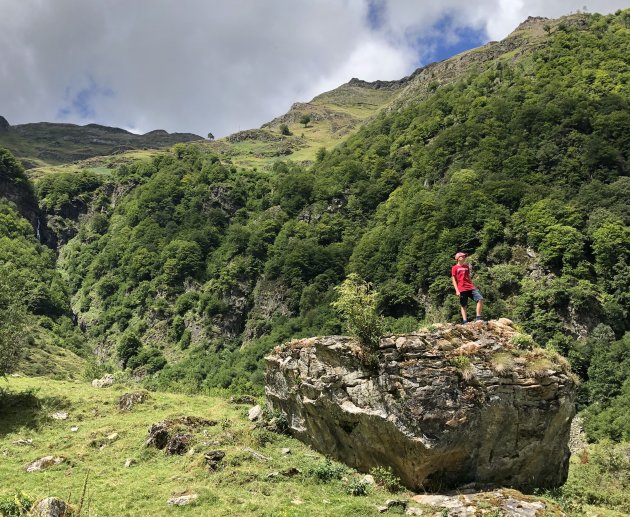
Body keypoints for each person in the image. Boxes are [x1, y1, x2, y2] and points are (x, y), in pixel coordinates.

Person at [451, 252, 483, 324]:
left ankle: (478, 318)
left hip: (470, 287)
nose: (464, 257)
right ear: (458, 258)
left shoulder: (466, 266)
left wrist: (472, 285)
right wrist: (457, 290)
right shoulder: (454, 268)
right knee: (463, 305)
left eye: (465, 256)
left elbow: (468, 277)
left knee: (480, 299)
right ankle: (465, 321)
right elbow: (453, 279)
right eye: (463, 256)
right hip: (461, 288)